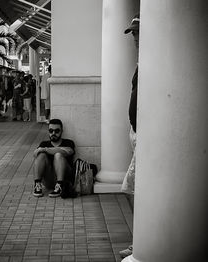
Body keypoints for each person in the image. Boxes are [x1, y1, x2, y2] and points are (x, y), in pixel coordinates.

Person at [120, 13, 140, 259]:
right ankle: (140, 239)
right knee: (134, 189)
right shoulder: (141, 60)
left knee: (131, 189)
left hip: (146, 134)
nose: (134, 36)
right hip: (137, 132)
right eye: (133, 32)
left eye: (137, 32)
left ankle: (142, 241)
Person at [33, 118, 75, 198]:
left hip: (65, 179)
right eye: (51, 131)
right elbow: (35, 154)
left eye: (57, 131)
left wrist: (45, 149)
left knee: (58, 155)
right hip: (49, 180)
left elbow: (68, 151)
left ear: (62, 131)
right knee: (41, 155)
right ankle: (37, 185)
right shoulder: (44, 143)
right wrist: (41, 151)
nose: (53, 133)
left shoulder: (69, 142)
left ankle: (60, 186)